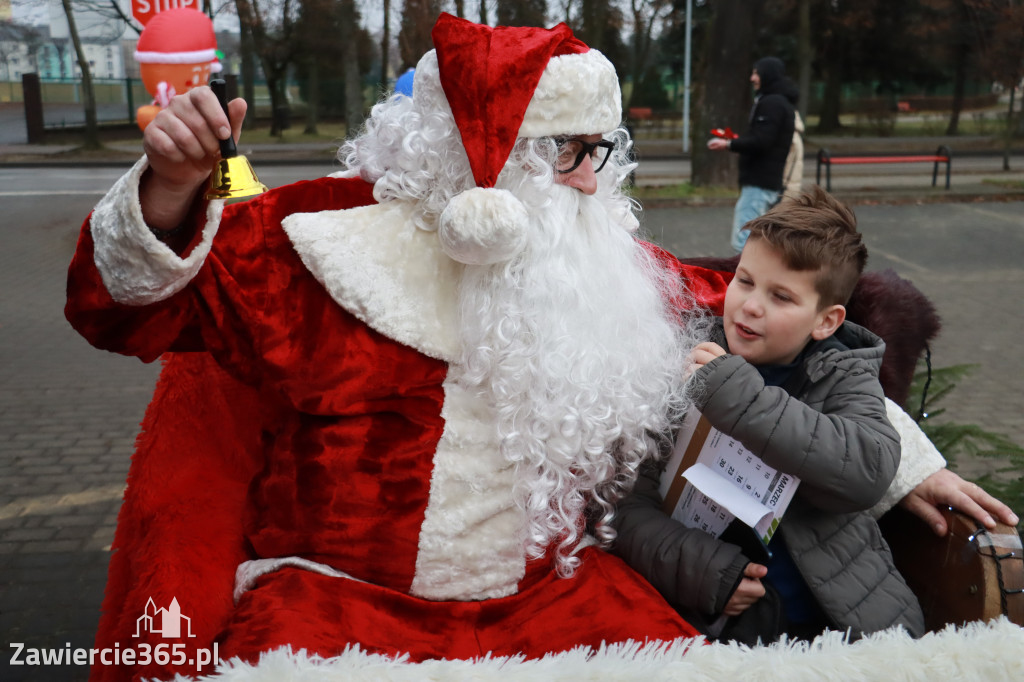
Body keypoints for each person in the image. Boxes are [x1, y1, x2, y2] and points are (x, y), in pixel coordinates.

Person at [65, 13, 1014, 680]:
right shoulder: (316, 247)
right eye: (569, 154)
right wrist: (169, 190)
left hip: (552, 597)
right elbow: (126, 311)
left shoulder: (601, 268)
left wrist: (907, 466)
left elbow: (762, 337)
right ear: (482, 160)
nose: (594, 184)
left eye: (602, 152)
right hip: (343, 602)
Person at [612, 188, 926, 644]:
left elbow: (867, 469)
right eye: (745, 281)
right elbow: (625, 507)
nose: (751, 305)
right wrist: (706, 572)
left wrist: (738, 397)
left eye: (781, 296)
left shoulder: (841, 373)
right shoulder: (681, 361)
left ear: (826, 321)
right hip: (724, 630)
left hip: (848, 626)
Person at [708, 56, 796, 253]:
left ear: (768, 75)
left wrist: (729, 144)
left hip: (759, 184)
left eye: (756, 73)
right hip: (765, 182)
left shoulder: (772, 103)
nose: (752, 78)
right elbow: (764, 138)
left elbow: (762, 141)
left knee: (744, 241)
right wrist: (737, 141)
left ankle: (743, 272)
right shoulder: (777, 101)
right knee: (759, 239)